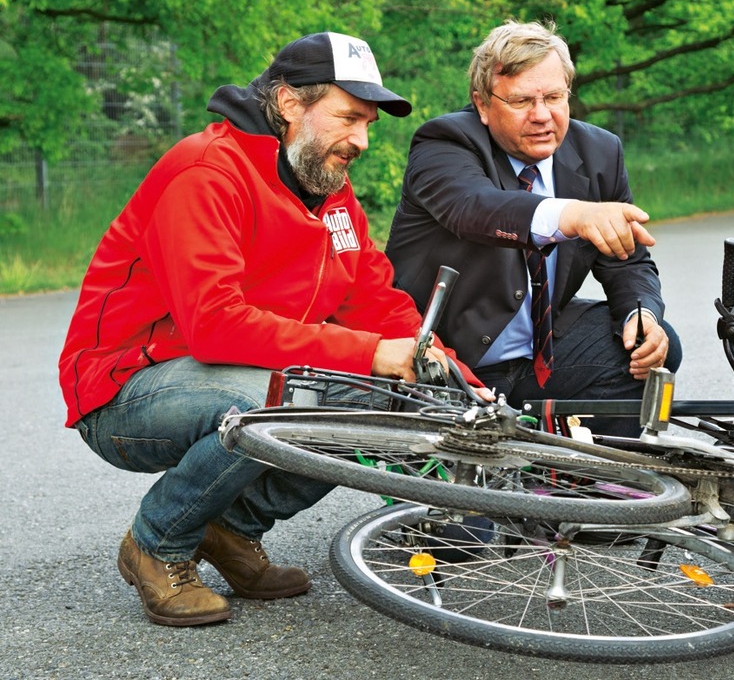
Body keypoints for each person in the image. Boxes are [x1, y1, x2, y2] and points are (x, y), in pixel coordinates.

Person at [58, 32, 486, 627]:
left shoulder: (332, 195)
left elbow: (378, 304)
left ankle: (229, 530)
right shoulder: (206, 172)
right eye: (347, 118)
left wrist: (454, 377)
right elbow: (213, 325)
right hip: (125, 389)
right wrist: (369, 353)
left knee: (377, 402)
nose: (361, 140)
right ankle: (156, 543)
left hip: (232, 378)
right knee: (281, 396)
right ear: (289, 105)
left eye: (368, 123)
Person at [386, 20, 681, 436]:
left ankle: (589, 487)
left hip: (538, 359)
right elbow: (475, 208)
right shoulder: (445, 142)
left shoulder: (600, 151)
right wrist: (572, 215)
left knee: (653, 349)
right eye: (522, 101)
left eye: (554, 97)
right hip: (448, 362)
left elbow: (626, 262)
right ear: (483, 104)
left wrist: (643, 315)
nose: (542, 116)